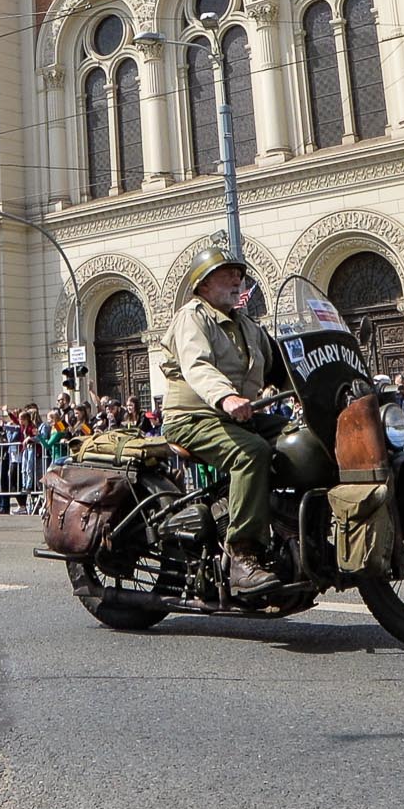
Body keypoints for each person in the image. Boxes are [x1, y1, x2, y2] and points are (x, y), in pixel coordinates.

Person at [159, 255, 286, 596]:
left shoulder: (247, 326)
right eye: (226, 274)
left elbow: (280, 363)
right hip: (193, 416)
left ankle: (292, 528)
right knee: (252, 454)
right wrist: (225, 397)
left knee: (300, 440)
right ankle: (243, 556)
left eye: (239, 275)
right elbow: (197, 364)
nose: (236, 281)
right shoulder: (193, 318)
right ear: (202, 285)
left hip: (239, 414)